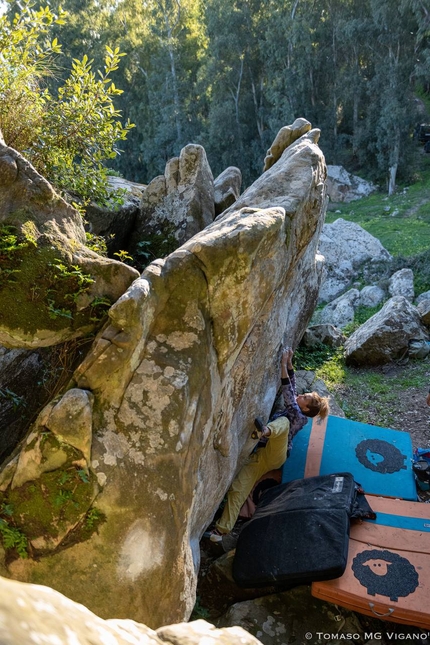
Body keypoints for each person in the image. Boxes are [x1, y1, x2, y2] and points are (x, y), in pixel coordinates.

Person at [207, 348, 329, 542]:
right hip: (262, 457)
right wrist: (289, 364)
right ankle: (221, 531)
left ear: (305, 409)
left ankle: (264, 431)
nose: (301, 395)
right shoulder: (299, 408)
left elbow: (289, 392)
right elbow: (293, 387)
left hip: (275, 453)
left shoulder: (298, 417)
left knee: (284, 424)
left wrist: (282, 365)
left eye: (305, 397)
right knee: (239, 488)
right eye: (305, 395)